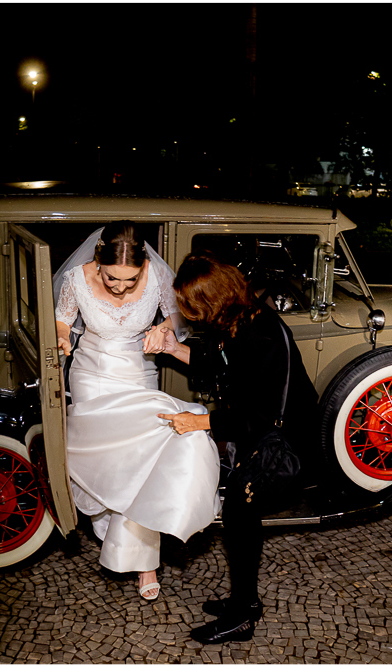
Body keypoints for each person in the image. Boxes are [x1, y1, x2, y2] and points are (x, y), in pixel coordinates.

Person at [53, 221, 221, 601]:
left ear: (143, 264)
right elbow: (63, 319)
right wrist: (62, 336)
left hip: (139, 371)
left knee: (144, 461)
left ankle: (145, 561)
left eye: (130, 280)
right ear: (98, 261)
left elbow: (178, 315)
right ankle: (118, 536)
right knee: (112, 464)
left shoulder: (156, 274)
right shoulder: (76, 279)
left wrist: (163, 329)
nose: (120, 288)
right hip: (91, 375)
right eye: (112, 278)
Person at [155, 253, 317, 644]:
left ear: (212, 300)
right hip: (257, 436)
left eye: (191, 305)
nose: (187, 314)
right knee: (239, 515)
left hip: (287, 442)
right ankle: (246, 602)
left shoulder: (262, 334)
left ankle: (242, 616)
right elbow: (221, 363)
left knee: (240, 514)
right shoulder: (234, 321)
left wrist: (200, 422)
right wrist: (174, 349)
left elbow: (260, 415)